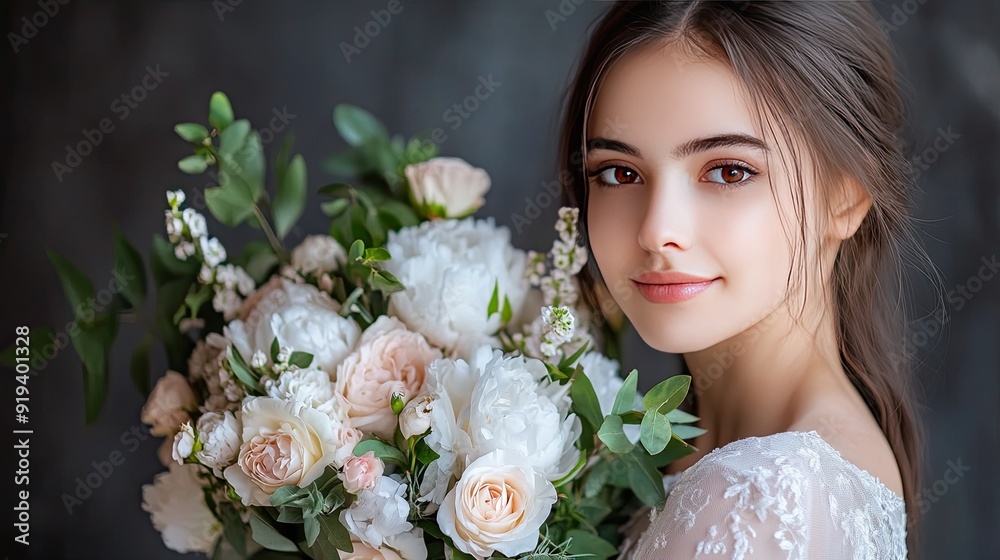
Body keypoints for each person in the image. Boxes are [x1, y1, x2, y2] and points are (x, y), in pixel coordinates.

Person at [558, 1, 938, 558]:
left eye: (729, 171)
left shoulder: (762, 496)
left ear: (844, 198)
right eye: (620, 173)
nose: (656, 230)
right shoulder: (662, 452)